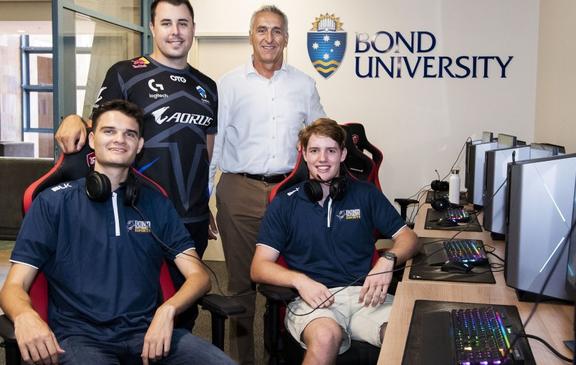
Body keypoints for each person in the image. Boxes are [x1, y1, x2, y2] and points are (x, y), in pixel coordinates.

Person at [0, 100, 235, 365]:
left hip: (149, 335)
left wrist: (167, 310)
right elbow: (13, 286)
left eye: (130, 134)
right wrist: (24, 316)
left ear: (140, 145)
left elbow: (199, 276)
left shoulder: (155, 202)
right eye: (109, 131)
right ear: (92, 139)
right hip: (80, 340)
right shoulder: (52, 203)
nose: (119, 139)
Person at [54, 0, 216, 329]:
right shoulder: (126, 73)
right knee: (135, 309)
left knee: (183, 312)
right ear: (153, 28)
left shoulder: (207, 86)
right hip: (140, 212)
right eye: (167, 23)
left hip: (192, 217)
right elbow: (99, 125)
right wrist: (73, 118)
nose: (176, 31)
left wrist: (205, 197)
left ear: (193, 30)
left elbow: (205, 150)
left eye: (183, 23)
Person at [208, 5, 326, 364]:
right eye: (262, 30)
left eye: (277, 31)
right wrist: (204, 199)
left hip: (290, 195)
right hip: (239, 192)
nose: (269, 38)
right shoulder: (227, 84)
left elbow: (320, 136)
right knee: (241, 286)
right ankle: (243, 360)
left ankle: (279, 357)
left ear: (287, 38)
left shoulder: (304, 84)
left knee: (284, 285)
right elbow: (215, 146)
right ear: (251, 36)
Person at [250, 118, 419, 364]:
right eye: (315, 150)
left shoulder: (366, 193)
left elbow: (409, 238)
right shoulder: (285, 203)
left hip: (366, 298)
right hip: (315, 302)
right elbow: (259, 266)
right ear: (304, 155)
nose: (323, 158)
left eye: (331, 150)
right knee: (326, 336)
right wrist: (299, 280)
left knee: (408, 333)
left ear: (342, 154)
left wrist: (388, 260)